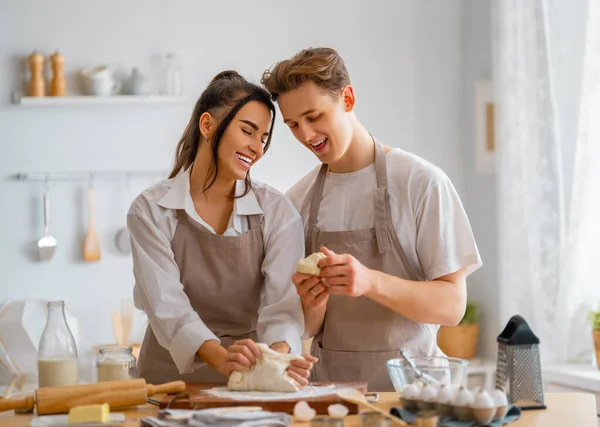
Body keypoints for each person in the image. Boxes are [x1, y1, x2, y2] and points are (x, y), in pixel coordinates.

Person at [261, 48, 482, 391]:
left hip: (416, 396)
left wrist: (369, 282)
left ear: (347, 98)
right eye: (293, 124)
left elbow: (452, 306)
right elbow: (306, 328)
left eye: (313, 116)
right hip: (333, 397)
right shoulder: (297, 201)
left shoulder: (420, 182)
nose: (305, 134)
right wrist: (313, 300)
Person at [128, 70, 316, 385]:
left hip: (251, 381)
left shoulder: (277, 212)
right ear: (207, 125)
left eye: (264, 138)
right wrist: (220, 357)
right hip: (168, 384)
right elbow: (167, 306)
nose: (256, 148)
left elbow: (282, 308)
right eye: (248, 131)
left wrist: (280, 357)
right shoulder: (150, 210)